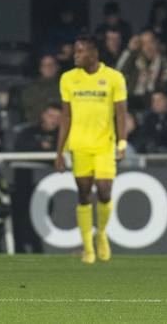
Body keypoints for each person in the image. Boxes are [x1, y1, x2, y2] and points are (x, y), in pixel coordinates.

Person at [55, 34, 128, 265]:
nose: (75, 56)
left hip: (104, 145)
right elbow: (65, 116)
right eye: (75, 51)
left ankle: (102, 234)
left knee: (105, 191)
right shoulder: (68, 79)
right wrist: (59, 152)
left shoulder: (114, 78)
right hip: (79, 145)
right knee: (84, 194)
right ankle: (88, 247)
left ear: (94, 54)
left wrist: (122, 142)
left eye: (80, 52)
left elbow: (121, 113)